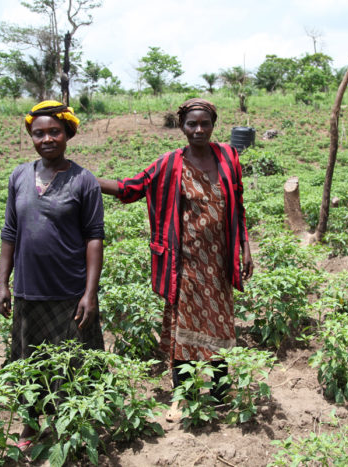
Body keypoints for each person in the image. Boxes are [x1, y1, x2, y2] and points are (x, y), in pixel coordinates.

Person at [98, 98, 253, 421]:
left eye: (204, 123)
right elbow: (132, 188)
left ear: (213, 124)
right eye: (191, 124)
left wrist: (245, 249)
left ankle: (222, 391)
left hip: (220, 261)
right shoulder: (169, 164)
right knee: (183, 327)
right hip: (184, 264)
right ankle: (183, 396)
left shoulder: (228, 157)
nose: (198, 130)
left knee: (219, 325)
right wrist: (87, 179)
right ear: (181, 126)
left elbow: (237, 203)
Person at [0, 100, 105, 447]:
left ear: (67, 134)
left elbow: (94, 239)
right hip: (29, 291)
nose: (46, 139)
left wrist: (90, 293)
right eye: (38, 133)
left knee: (72, 361)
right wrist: (2, 283)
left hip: (70, 291)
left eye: (54, 132)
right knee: (29, 362)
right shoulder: (19, 176)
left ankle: (69, 425)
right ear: (31, 135)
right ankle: (29, 425)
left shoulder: (83, 180)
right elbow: (10, 232)